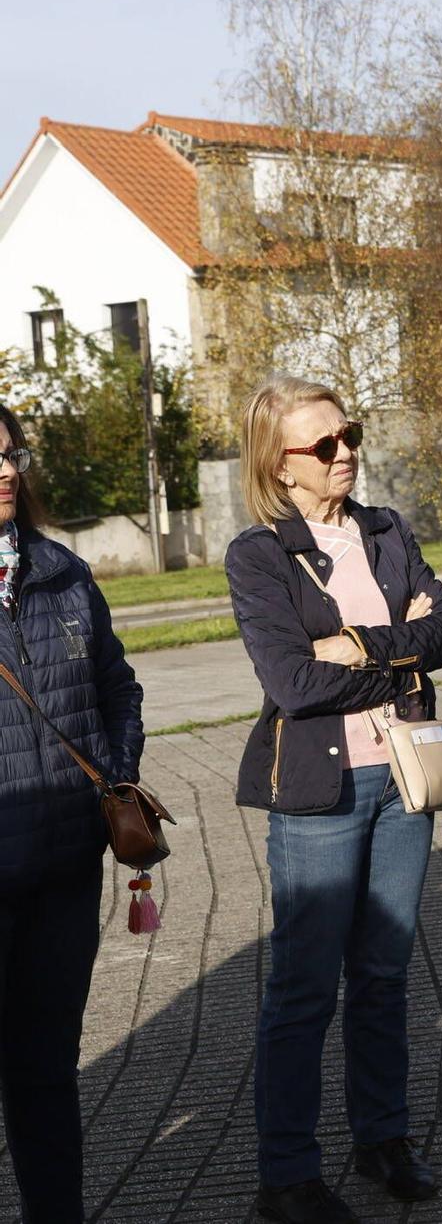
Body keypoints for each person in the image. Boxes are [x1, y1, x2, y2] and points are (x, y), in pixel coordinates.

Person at [226, 377, 442, 1224]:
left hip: (404, 776)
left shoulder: (386, 528)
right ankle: (285, 1177)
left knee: (383, 972)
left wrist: (361, 642)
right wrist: (403, 648)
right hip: (323, 790)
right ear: (278, 464)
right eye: (322, 444)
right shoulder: (259, 553)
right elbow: (292, 680)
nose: (344, 451)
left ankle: (384, 1137)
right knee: (302, 985)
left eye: (349, 433)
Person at [0, 402, 143, 1223]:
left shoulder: (61, 573)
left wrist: (113, 776)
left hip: (63, 870)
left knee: (47, 1072)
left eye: (13, 451)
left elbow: (118, 687)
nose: (7, 469)